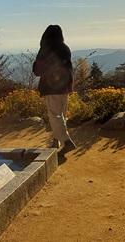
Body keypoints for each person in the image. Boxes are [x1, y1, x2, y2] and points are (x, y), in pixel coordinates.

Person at [33, 25, 77, 156]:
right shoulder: (65, 48)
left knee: (54, 115)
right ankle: (56, 140)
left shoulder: (46, 48)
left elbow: (38, 70)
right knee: (61, 115)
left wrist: (35, 65)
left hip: (52, 87)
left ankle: (67, 141)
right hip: (65, 87)